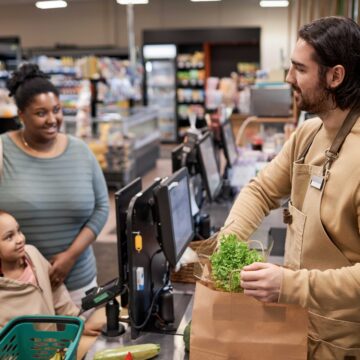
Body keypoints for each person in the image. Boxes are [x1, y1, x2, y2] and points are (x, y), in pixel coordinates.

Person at [223, 16, 360, 359]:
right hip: (299, 329)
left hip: (343, 343)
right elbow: (261, 190)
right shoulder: (308, 135)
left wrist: (288, 285)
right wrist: (227, 241)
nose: (288, 78)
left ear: (335, 76)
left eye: (299, 69)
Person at [0, 63, 109, 307]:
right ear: (21, 116)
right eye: (41, 113)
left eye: (57, 110)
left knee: (85, 342)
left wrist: (70, 257)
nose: (52, 120)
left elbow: (102, 207)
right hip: (20, 293)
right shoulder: (2, 151)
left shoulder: (80, 151)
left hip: (80, 282)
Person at [0, 210, 103, 335]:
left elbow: (56, 292)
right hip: (21, 352)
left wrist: (78, 322)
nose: (20, 239)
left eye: (19, 231)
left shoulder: (32, 254)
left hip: (50, 344)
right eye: (9, 237)